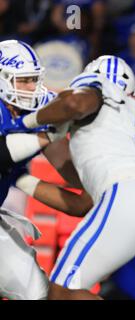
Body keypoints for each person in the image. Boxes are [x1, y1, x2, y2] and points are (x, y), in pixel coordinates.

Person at [3, 55, 135, 300]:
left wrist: (25, 122)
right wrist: (20, 179)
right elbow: (83, 202)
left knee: (58, 293)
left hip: (128, 191)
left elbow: (74, 104)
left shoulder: (100, 87)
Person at [0, 39, 86, 300]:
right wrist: (46, 136)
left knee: (36, 293)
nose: (32, 88)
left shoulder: (36, 105)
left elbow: (70, 172)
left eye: (33, 79)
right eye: (23, 80)